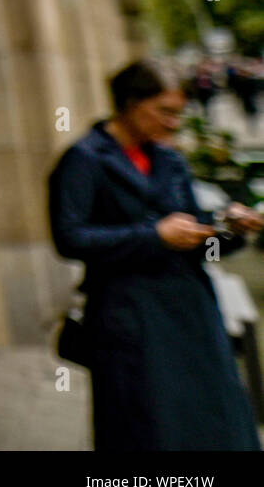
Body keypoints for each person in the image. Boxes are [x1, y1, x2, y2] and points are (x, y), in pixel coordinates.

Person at [48, 59, 264, 451]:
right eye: (164, 111)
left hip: (192, 313)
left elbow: (195, 232)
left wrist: (228, 226)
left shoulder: (168, 158)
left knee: (220, 423)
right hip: (129, 317)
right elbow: (70, 238)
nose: (173, 123)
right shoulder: (83, 159)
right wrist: (154, 236)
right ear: (130, 103)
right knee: (147, 429)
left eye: (179, 113)